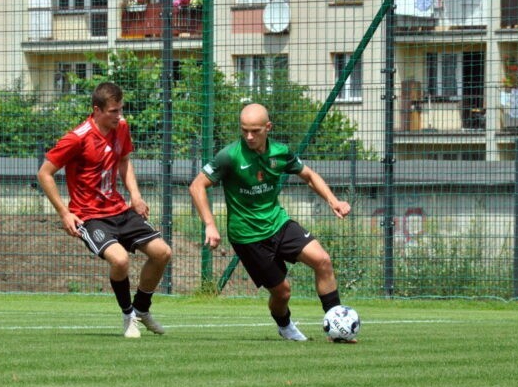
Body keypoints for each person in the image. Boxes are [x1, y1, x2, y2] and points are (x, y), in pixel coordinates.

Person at [189, 103, 352, 342]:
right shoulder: (229, 156)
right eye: (244, 130)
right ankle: (284, 326)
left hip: (278, 223)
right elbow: (196, 185)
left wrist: (333, 200)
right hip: (248, 236)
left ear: (268, 127)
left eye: (255, 130)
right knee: (282, 292)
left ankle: (338, 327)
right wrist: (210, 224)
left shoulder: (280, 151)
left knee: (323, 261)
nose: (249, 136)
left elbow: (308, 175)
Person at [37, 82, 172, 339]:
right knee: (120, 259)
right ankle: (128, 315)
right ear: (96, 110)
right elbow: (44, 173)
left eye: (120, 109)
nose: (119, 116)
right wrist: (65, 213)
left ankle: (142, 309)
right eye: (113, 111)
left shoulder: (120, 128)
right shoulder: (77, 138)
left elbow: (123, 161)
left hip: (119, 209)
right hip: (90, 216)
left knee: (163, 252)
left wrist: (136, 196)